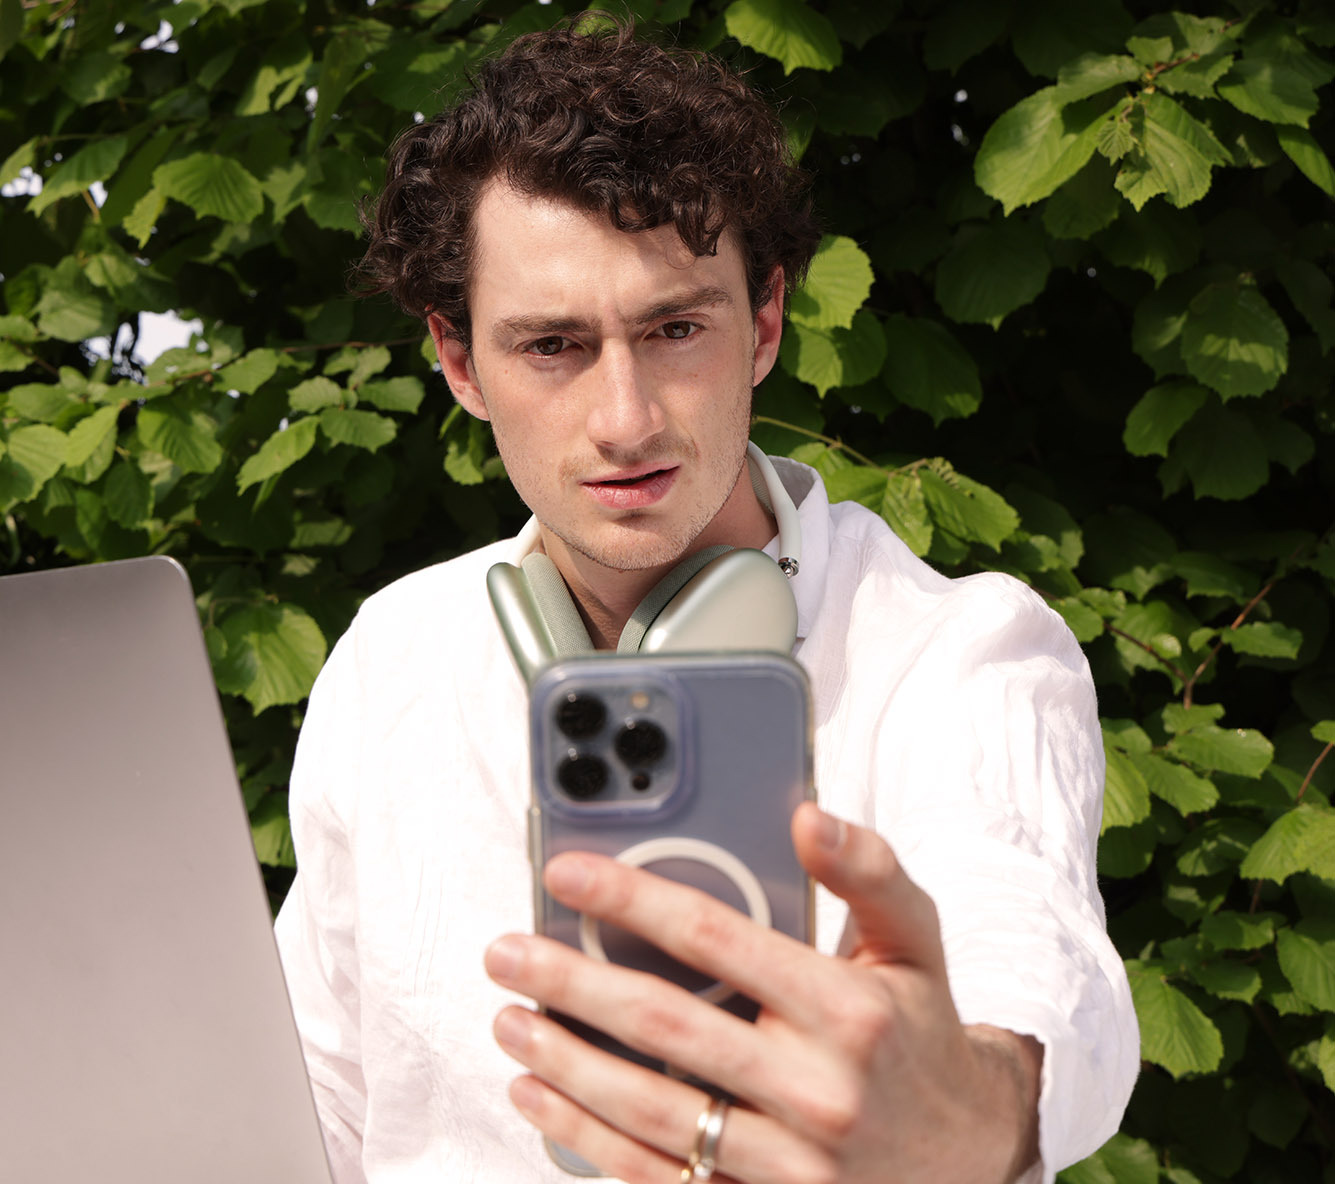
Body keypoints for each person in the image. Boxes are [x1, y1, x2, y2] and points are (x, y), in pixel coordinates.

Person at [273, 19, 1138, 1184]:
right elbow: (318, 1099)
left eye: (675, 327)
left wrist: (969, 1115)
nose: (624, 418)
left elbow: (1033, 985)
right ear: (461, 361)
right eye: (552, 346)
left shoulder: (963, 654)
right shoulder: (392, 656)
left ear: (766, 322)